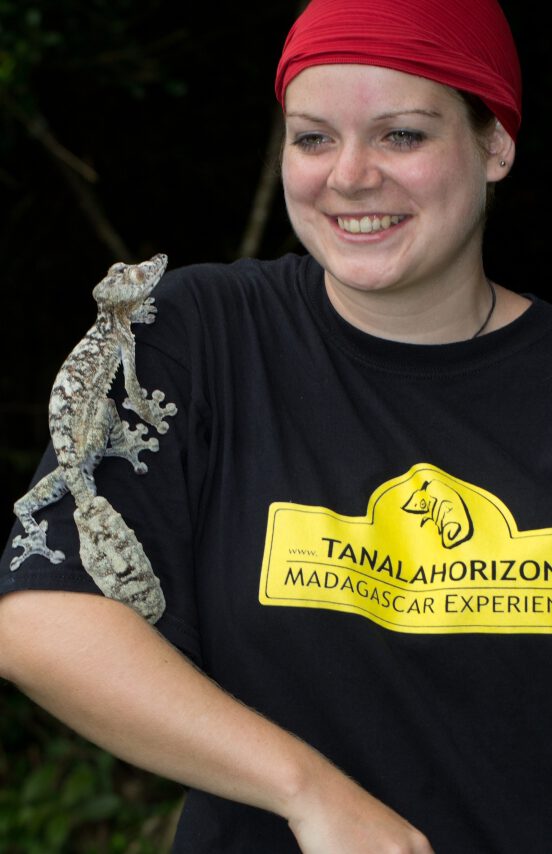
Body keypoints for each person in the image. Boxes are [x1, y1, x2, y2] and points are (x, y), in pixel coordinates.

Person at [0, 0, 548, 851]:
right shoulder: (196, 334)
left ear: (494, 144)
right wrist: (308, 792)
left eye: (402, 135)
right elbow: (40, 616)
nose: (351, 175)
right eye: (314, 137)